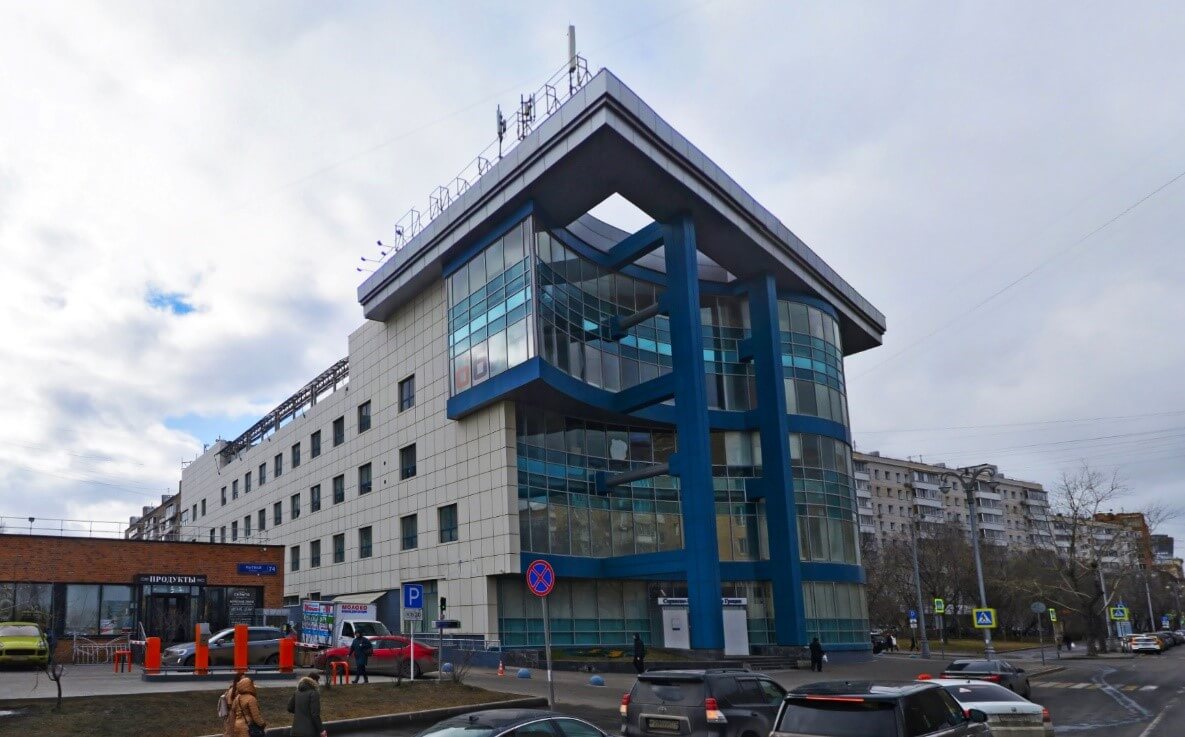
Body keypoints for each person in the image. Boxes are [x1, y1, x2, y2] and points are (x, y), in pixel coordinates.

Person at [288, 673, 327, 737]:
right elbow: (315, 714)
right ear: (314, 681)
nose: (318, 683)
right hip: (309, 732)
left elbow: (289, 708)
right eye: (318, 681)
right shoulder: (314, 693)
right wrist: (321, 730)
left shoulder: (297, 692)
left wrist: (300, 712)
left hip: (295, 731)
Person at [220, 673, 244, 737]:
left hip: (238, 715)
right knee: (230, 732)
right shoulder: (232, 690)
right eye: (242, 680)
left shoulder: (240, 690)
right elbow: (230, 703)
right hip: (233, 716)